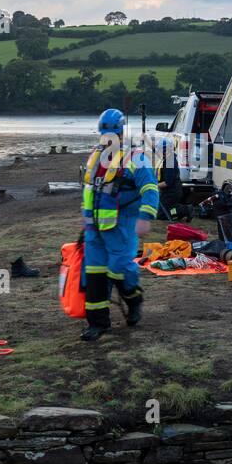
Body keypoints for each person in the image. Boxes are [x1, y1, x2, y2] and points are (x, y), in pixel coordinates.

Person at [80, 109, 159, 342]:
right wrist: (85, 219)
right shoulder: (96, 158)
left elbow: (150, 190)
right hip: (95, 228)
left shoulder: (136, 158)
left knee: (119, 270)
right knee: (94, 274)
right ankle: (97, 324)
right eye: (105, 135)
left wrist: (145, 218)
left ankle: (134, 299)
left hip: (122, 225)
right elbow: (89, 190)